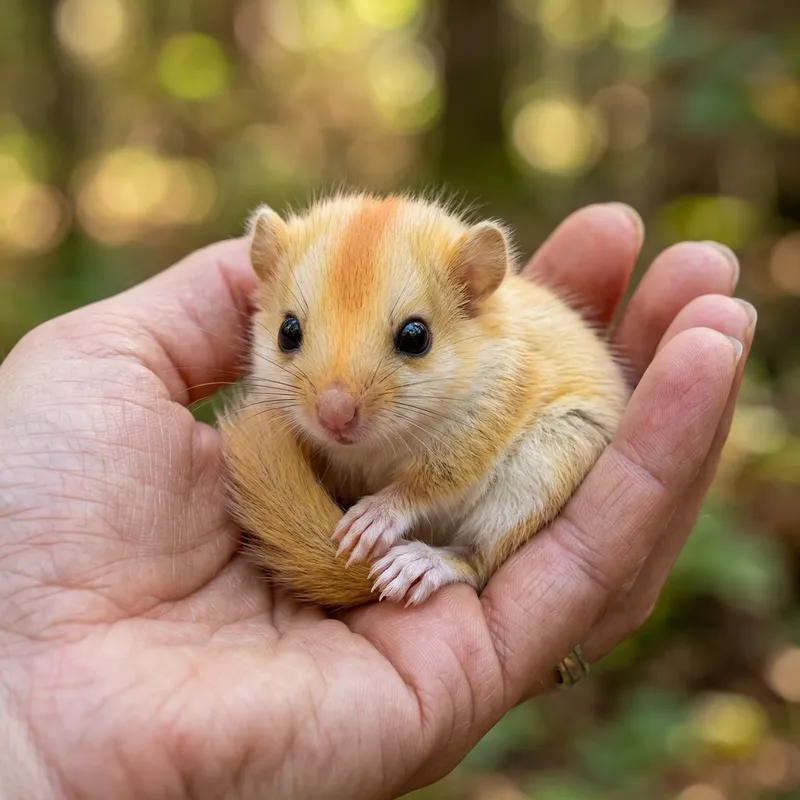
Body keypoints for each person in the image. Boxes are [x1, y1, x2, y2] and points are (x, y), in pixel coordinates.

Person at [0, 204, 755, 799]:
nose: (336, 406)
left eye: (411, 338)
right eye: (294, 335)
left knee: (564, 434)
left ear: (474, 291)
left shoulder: (501, 363)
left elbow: (485, 434)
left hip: (519, 454)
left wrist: (401, 504)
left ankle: (466, 560)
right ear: (265, 291)